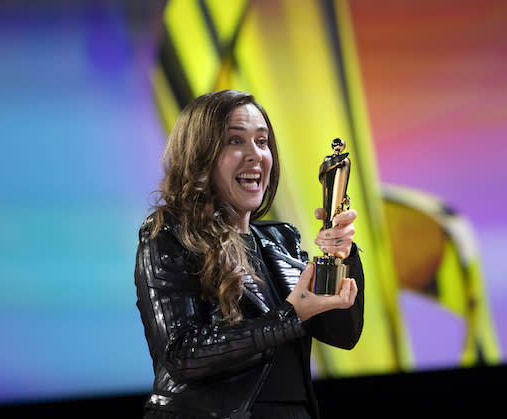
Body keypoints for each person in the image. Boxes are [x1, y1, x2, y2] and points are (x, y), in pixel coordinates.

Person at [134, 89, 364, 419]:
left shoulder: (281, 240)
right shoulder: (168, 233)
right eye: (235, 141)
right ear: (201, 156)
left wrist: (342, 257)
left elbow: (341, 334)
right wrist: (289, 316)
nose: (255, 155)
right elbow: (182, 354)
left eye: (262, 141)